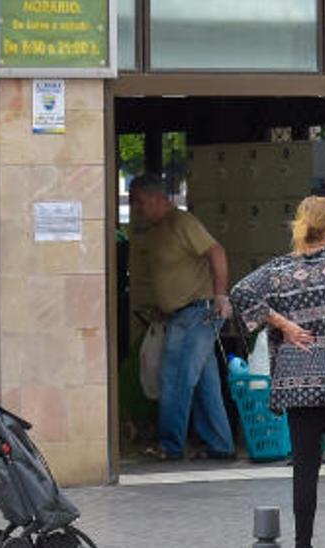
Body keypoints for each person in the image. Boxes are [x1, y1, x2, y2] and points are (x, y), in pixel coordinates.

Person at [230, 196, 325, 548]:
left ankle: (303, 543)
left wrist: (282, 324)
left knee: (305, 468)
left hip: (297, 388)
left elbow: (241, 292)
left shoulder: (280, 269)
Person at [128, 174, 235, 461]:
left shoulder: (182, 222)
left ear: (153, 198)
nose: (136, 210)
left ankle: (170, 445)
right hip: (180, 314)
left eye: (137, 202)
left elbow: (217, 252)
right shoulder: (160, 229)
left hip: (197, 313)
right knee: (204, 383)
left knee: (175, 377)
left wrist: (221, 295)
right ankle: (221, 444)